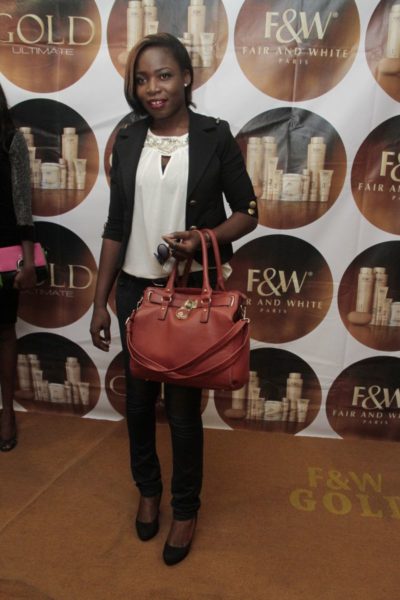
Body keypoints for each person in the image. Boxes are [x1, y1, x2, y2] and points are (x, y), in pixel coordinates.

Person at [90, 33, 257, 565]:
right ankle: (149, 490)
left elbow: (247, 211)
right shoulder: (129, 138)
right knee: (139, 404)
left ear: (186, 77)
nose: (153, 88)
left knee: (183, 411)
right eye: (142, 79)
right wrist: (99, 301)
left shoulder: (214, 135)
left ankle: (185, 509)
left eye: (163, 75)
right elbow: (116, 225)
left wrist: (205, 237)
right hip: (135, 293)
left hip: (187, 292)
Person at [0, 83, 36, 452]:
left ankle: (7, 412)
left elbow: (23, 202)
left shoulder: (11, 140)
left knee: (4, 331)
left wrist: (27, 259)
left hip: (3, 251)